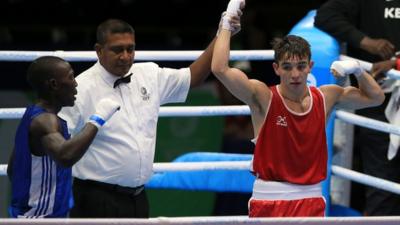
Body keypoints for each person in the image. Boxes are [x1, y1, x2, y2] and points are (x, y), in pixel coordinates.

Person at [58, 6, 243, 218]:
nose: (125, 56)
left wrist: (223, 32)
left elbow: (193, 76)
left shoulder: (148, 74)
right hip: (94, 198)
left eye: (130, 49)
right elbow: (61, 150)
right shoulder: (80, 89)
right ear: (99, 50)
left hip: (138, 198)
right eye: (117, 49)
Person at [212, 19, 385, 216]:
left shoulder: (326, 97)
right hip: (270, 201)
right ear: (276, 68)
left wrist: (357, 70)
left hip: (311, 200)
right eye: (287, 67)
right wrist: (227, 24)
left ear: (310, 66)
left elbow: (375, 97)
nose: (295, 74)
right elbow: (220, 69)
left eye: (301, 66)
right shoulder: (263, 97)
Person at [314, 0, 400, 215]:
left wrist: (397, 63)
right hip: (383, 101)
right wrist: (365, 42)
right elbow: (324, 16)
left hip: (384, 91)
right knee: (383, 185)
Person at [7, 56, 120, 218]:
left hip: (33, 215)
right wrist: (98, 119)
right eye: (70, 77)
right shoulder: (46, 121)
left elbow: (13, 169)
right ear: (54, 84)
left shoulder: (32, 115)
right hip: (39, 218)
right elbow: (65, 156)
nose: (75, 84)